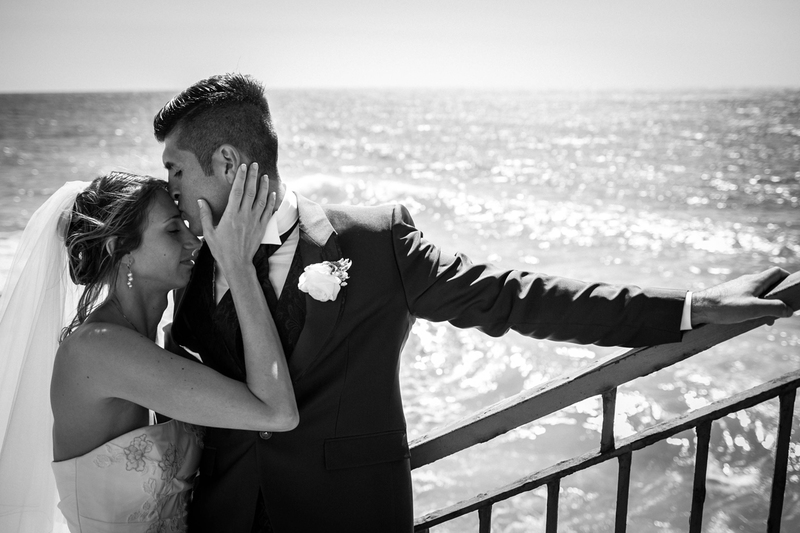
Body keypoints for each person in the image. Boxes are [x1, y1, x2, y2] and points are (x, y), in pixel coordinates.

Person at [154, 73, 795, 533]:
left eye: (176, 169)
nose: (170, 188)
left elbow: (516, 298)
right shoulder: (192, 261)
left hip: (346, 516)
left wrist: (689, 306)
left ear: (229, 160)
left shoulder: (374, 244)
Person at [0, 166, 298, 533]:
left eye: (187, 226)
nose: (195, 241)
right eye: (174, 230)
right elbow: (277, 413)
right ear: (121, 250)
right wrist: (238, 267)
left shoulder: (164, 342)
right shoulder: (97, 350)